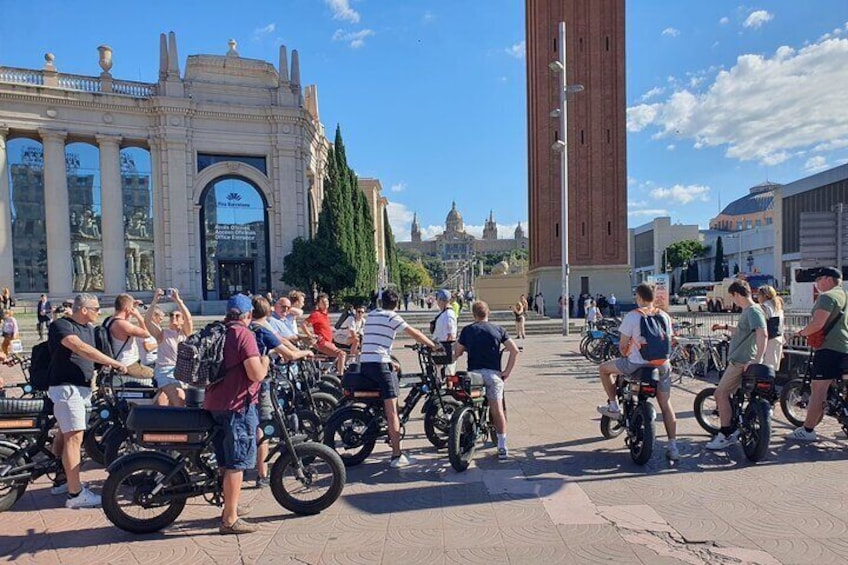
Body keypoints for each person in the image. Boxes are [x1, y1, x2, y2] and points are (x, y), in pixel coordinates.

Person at [47, 294, 128, 508]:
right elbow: (78, 348)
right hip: (67, 389)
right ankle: (75, 495)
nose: (99, 312)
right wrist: (114, 363)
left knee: (67, 436)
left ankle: (62, 481)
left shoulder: (90, 330)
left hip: (81, 390)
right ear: (83, 309)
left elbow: (92, 354)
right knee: (74, 439)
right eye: (96, 308)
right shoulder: (61, 325)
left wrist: (103, 367)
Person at [204, 294, 269, 534]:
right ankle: (229, 519)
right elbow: (255, 374)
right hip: (237, 405)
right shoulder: (243, 334)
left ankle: (229, 506)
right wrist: (265, 362)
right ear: (248, 315)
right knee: (237, 462)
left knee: (224, 458)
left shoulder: (219, 331)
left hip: (213, 402)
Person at [596, 283, 679, 460]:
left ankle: (613, 405)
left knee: (603, 369)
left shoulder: (633, 317)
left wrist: (625, 353)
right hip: (662, 366)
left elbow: (623, 345)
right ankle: (673, 446)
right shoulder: (664, 316)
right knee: (666, 405)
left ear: (639, 297)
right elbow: (669, 340)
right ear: (654, 297)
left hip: (637, 364)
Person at [359, 289, 436, 467]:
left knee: (395, 370)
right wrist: (433, 345)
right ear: (397, 304)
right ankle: (396, 455)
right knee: (392, 411)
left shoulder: (372, 314)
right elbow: (414, 332)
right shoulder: (392, 316)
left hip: (367, 362)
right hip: (379, 364)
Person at [250, 296, 313, 487]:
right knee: (264, 424)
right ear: (269, 311)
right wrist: (306, 353)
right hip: (260, 384)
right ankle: (262, 474)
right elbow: (289, 353)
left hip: (240, 384)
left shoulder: (244, 328)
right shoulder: (262, 329)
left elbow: (282, 341)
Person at [453, 300, 521, 460]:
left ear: (473, 314)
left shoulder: (468, 330)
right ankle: (502, 446)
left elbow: (458, 351)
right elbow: (514, 350)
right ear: (488, 312)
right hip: (493, 374)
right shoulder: (499, 329)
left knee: (468, 402)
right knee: (497, 410)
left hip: (473, 376)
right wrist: (506, 372)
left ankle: (466, 425)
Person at [706, 280, 767, 450]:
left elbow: (763, 334)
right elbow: (743, 331)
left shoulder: (753, 311)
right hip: (742, 359)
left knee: (720, 394)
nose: (732, 301)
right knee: (732, 394)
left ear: (737, 295)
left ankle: (726, 434)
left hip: (741, 361)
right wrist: (725, 327)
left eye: (732, 297)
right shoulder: (749, 311)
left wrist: (757, 359)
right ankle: (735, 424)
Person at [789, 267, 848, 441]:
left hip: (830, 349)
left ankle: (807, 431)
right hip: (846, 348)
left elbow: (817, 324)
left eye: (819, 279)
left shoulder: (827, 297)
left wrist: (800, 333)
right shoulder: (845, 296)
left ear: (829, 279)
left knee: (818, 390)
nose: (816, 283)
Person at [145, 288, 193, 407]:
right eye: (171, 315)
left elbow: (189, 319)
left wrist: (178, 301)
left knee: (172, 403)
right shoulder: (163, 333)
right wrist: (155, 299)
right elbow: (147, 321)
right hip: (165, 371)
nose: (174, 318)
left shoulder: (185, 333)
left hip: (181, 372)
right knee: (179, 401)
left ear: (182, 320)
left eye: (177, 316)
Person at [107, 294, 154, 380]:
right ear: (127, 309)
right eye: (131, 308)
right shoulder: (122, 324)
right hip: (129, 364)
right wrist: (138, 316)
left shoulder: (110, 320)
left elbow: (125, 322)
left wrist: (132, 308)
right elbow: (147, 334)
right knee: (157, 376)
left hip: (122, 361)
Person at [303, 293, 346, 376]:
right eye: (323, 302)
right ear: (318, 304)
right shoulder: (316, 314)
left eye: (327, 301)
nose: (326, 303)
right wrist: (310, 335)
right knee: (342, 354)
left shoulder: (325, 314)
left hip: (329, 342)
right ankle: (340, 376)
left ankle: (328, 371)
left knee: (342, 356)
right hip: (322, 342)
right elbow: (303, 324)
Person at [757, 285, 785, 373]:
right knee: (772, 368)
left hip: (768, 339)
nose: (757, 297)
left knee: (764, 367)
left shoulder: (764, 307)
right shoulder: (777, 305)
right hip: (778, 338)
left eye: (759, 295)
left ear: (764, 296)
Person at [432, 289, 458, 376]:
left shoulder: (449, 314)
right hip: (440, 346)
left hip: (445, 347)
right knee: (440, 372)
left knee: (448, 373)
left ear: (441, 300)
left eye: (438, 299)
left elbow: (451, 333)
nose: (437, 302)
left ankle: (449, 388)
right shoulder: (443, 312)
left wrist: (447, 349)